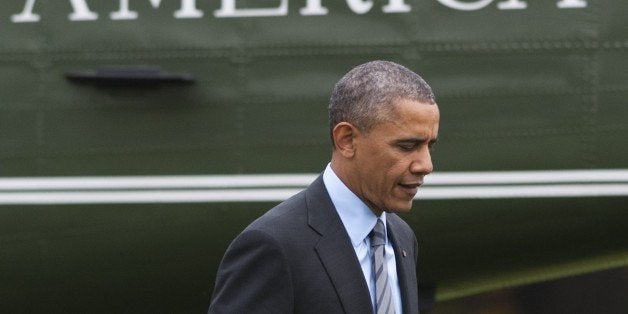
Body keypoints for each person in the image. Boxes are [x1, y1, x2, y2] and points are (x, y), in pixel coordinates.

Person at [208, 60, 439, 314]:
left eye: (430, 146)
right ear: (346, 140)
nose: (425, 165)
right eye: (407, 146)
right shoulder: (273, 245)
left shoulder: (401, 237)